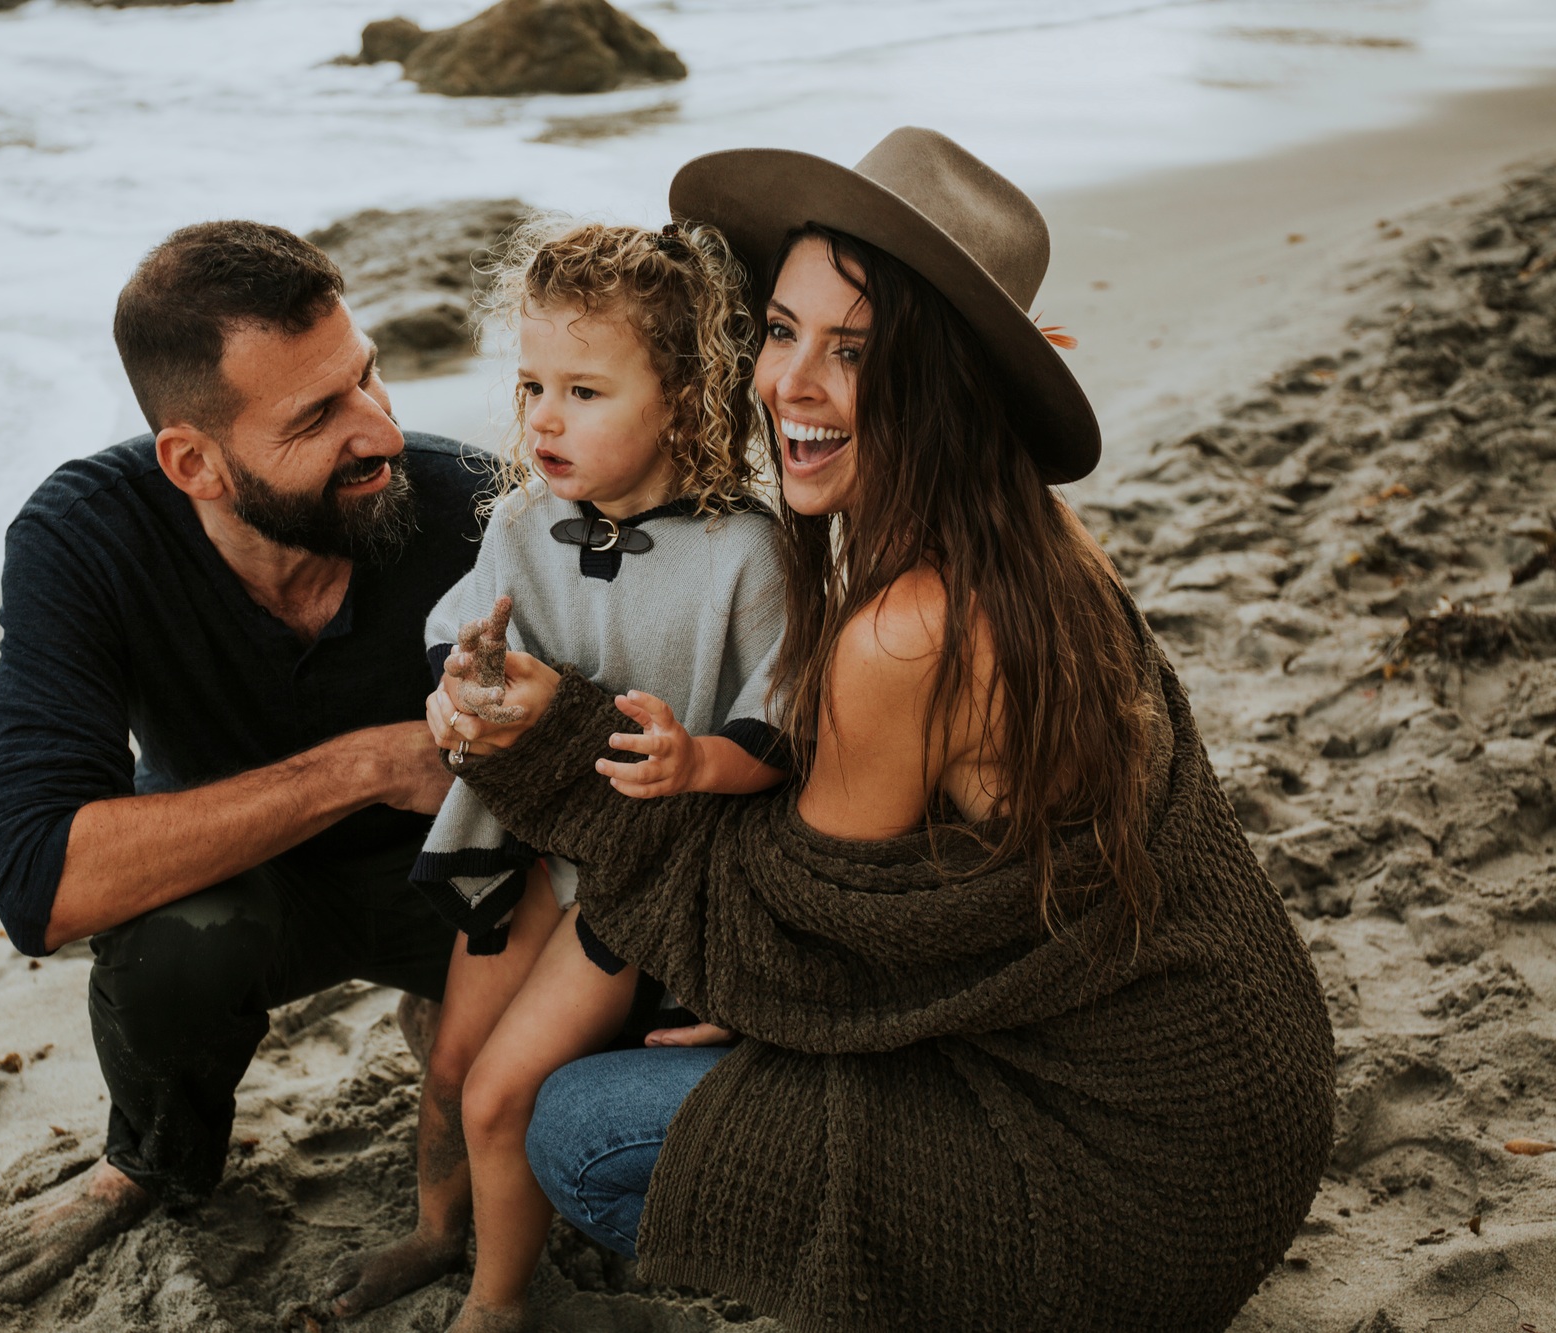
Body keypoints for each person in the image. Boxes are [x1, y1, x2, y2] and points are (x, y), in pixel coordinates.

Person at [428, 128, 1336, 1331]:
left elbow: (805, 933)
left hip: (1125, 1196)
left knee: (576, 1129)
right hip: (1240, 1107)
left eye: (851, 352)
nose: (789, 384)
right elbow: (916, 891)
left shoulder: (906, 629)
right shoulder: (1037, 543)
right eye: (781, 331)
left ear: (944, 380)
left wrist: (559, 738)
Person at [0, 220, 483, 1306]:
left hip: (454, 875)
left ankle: (446, 1011)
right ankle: (150, 1162)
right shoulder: (84, 539)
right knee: (173, 950)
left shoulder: (476, 509)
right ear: (193, 463)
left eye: (367, 375)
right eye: (317, 416)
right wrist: (364, 766)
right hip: (241, 885)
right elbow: (38, 882)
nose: (381, 429)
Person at [369, 219, 788, 1333]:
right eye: (531, 386)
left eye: (584, 391)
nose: (543, 419)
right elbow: (459, 641)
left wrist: (698, 758)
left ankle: (498, 1299)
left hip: (636, 881)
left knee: (502, 1091)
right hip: (528, 850)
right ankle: (433, 1229)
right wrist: (458, 687)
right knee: (452, 1064)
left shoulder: (748, 554)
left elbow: (784, 728)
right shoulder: (520, 519)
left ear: (683, 403)